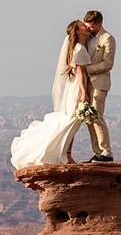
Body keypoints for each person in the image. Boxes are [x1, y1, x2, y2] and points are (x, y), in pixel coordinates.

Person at [10, 20, 92, 168]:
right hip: (77, 88)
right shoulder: (79, 49)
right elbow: (80, 72)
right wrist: (84, 93)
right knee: (71, 121)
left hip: (72, 87)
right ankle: (65, 155)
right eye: (82, 26)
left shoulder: (75, 48)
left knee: (71, 121)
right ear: (78, 31)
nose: (86, 27)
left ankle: (66, 154)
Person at [82, 10, 115, 162]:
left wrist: (87, 69)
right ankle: (97, 152)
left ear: (98, 24)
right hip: (85, 84)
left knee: (97, 116)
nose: (88, 29)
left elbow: (108, 64)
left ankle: (106, 152)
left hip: (99, 83)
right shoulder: (86, 38)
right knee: (88, 118)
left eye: (90, 27)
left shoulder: (108, 38)